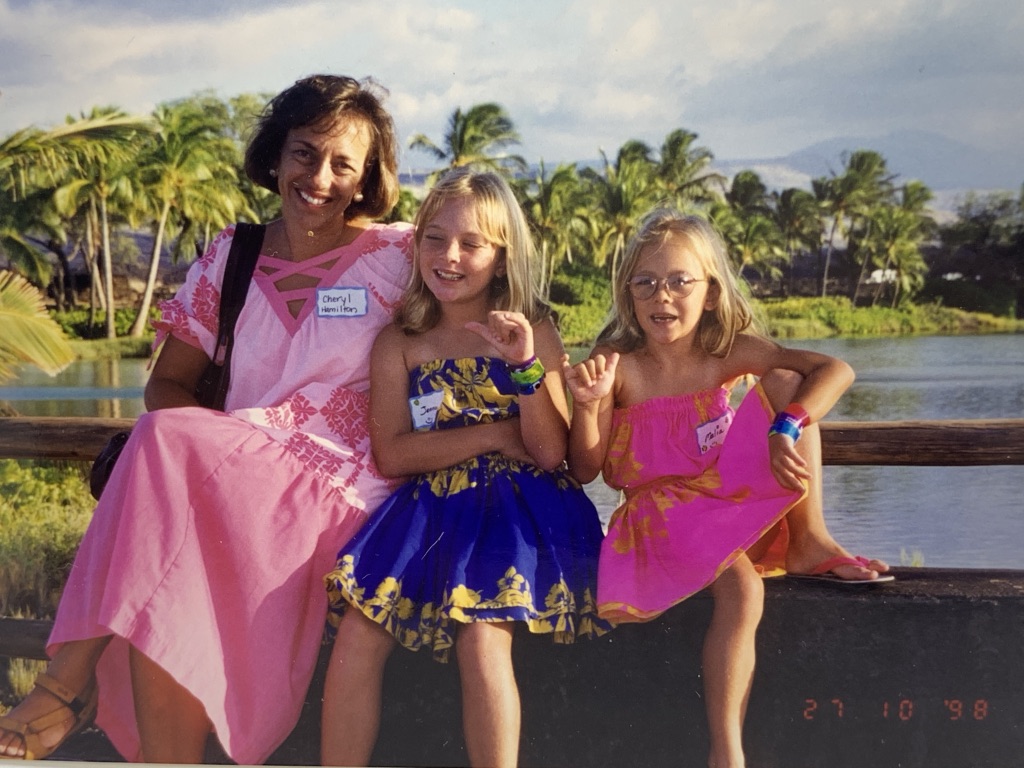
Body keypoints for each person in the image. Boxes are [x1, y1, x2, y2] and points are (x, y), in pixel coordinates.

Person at [0, 74, 413, 764]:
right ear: (276, 157)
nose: (320, 177)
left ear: (369, 177)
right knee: (170, 582)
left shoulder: (400, 259)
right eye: (306, 153)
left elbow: (478, 335)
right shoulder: (234, 254)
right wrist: (219, 458)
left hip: (343, 486)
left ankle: (63, 685)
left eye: (344, 163)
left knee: (165, 447)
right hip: (232, 479)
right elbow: (168, 385)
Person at [563, 209, 891, 768]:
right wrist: (589, 406)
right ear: (627, 294)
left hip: (717, 497)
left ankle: (810, 538)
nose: (660, 295)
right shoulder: (618, 366)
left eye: (678, 281)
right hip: (660, 514)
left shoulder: (727, 352)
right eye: (644, 282)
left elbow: (835, 370)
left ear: (711, 292)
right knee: (743, 591)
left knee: (787, 382)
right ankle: (727, 752)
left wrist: (785, 426)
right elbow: (586, 469)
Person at [320, 167, 609, 768]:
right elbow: (393, 452)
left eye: (472, 244)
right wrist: (498, 432)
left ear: (502, 258)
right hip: (431, 513)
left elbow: (551, 453)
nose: (449, 256)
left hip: (522, 516)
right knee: (359, 629)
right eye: (434, 237)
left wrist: (525, 364)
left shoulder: (534, 330)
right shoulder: (401, 341)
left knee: (483, 637)